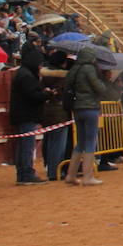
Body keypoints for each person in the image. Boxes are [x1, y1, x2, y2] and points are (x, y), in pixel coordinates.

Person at [62, 46, 120, 186]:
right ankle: (88, 176)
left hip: (77, 108)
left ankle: (71, 175)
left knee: (80, 142)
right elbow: (99, 88)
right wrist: (102, 81)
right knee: (90, 141)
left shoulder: (74, 69)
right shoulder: (90, 69)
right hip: (90, 107)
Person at [10, 44, 48, 185]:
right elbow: (34, 96)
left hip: (22, 114)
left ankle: (23, 173)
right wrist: (46, 94)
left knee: (23, 145)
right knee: (26, 145)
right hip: (26, 114)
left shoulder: (23, 73)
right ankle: (26, 174)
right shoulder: (27, 76)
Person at [40, 50, 72, 180]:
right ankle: (55, 171)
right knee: (58, 143)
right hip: (59, 112)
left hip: (46, 111)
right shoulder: (63, 77)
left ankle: (49, 168)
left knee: (48, 141)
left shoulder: (44, 74)